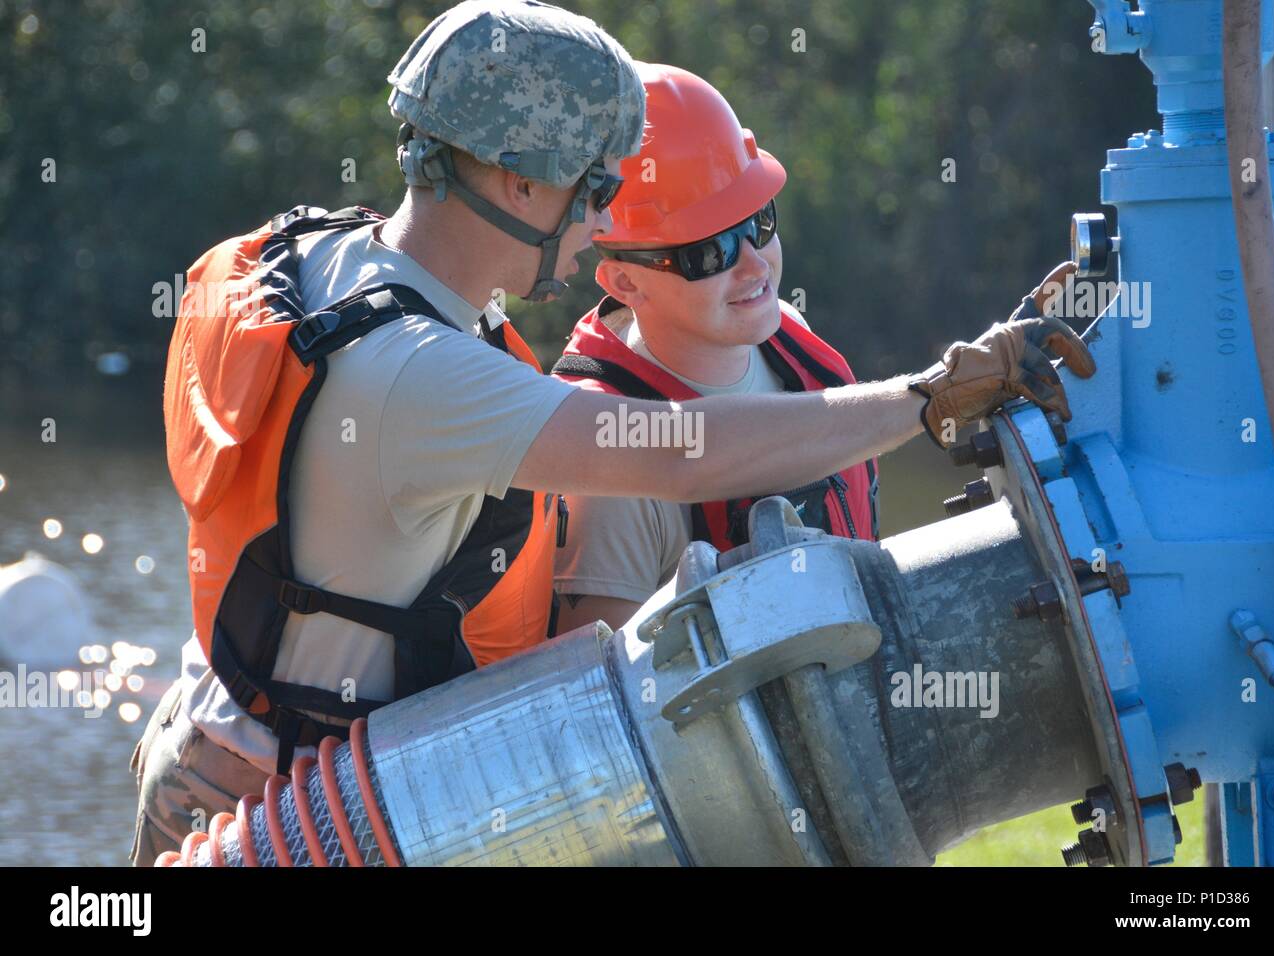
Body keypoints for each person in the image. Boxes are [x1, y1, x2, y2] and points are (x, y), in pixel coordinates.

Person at [130, 0, 1095, 866]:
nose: (600, 226)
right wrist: (926, 399)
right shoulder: (424, 377)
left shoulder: (302, 256)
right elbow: (687, 452)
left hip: (232, 754)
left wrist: (210, 703)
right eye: (591, 192)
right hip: (317, 815)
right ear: (514, 184)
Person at [551, 63, 1078, 633]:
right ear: (626, 283)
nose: (754, 266)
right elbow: (605, 708)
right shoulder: (608, 476)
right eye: (710, 252)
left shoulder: (786, 332)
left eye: (758, 222)